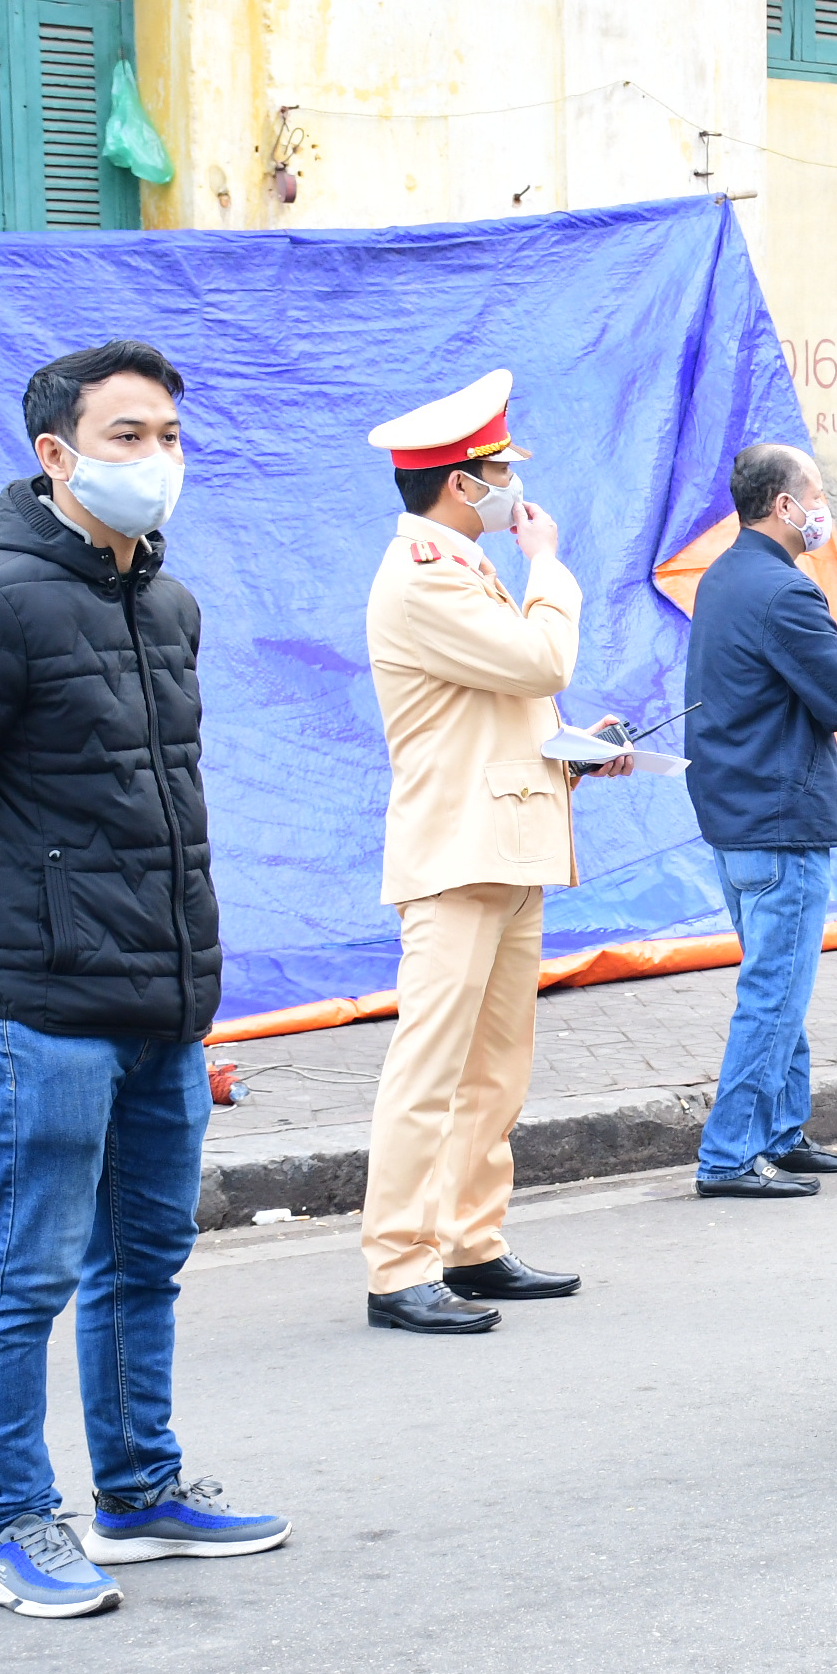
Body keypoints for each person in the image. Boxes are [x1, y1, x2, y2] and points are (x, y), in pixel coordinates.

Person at [0, 342, 285, 1618]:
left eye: (169, 435)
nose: (158, 458)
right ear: (56, 454)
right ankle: (7, 1525)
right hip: (31, 1000)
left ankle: (139, 1489)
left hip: (159, 994)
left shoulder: (168, 603)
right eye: (128, 436)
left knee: (143, 1257)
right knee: (23, 1272)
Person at [357, 369, 620, 1334]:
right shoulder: (425, 574)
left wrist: (571, 749)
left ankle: (471, 1241)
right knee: (430, 1069)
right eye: (502, 471)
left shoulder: (463, 568)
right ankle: (400, 1264)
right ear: (462, 484)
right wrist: (548, 564)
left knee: (496, 1068)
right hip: (456, 852)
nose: (516, 488)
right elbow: (541, 659)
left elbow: (500, 705)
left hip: (505, 842)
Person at [686, 444, 837, 1197]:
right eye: (816, 494)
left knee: (779, 983)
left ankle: (780, 1131)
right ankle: (730, 1153)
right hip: (779, 819)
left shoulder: (725, 576)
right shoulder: (786, 591)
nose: (823, 508)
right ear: (784, 505)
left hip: (739, 814)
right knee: (775, 992)